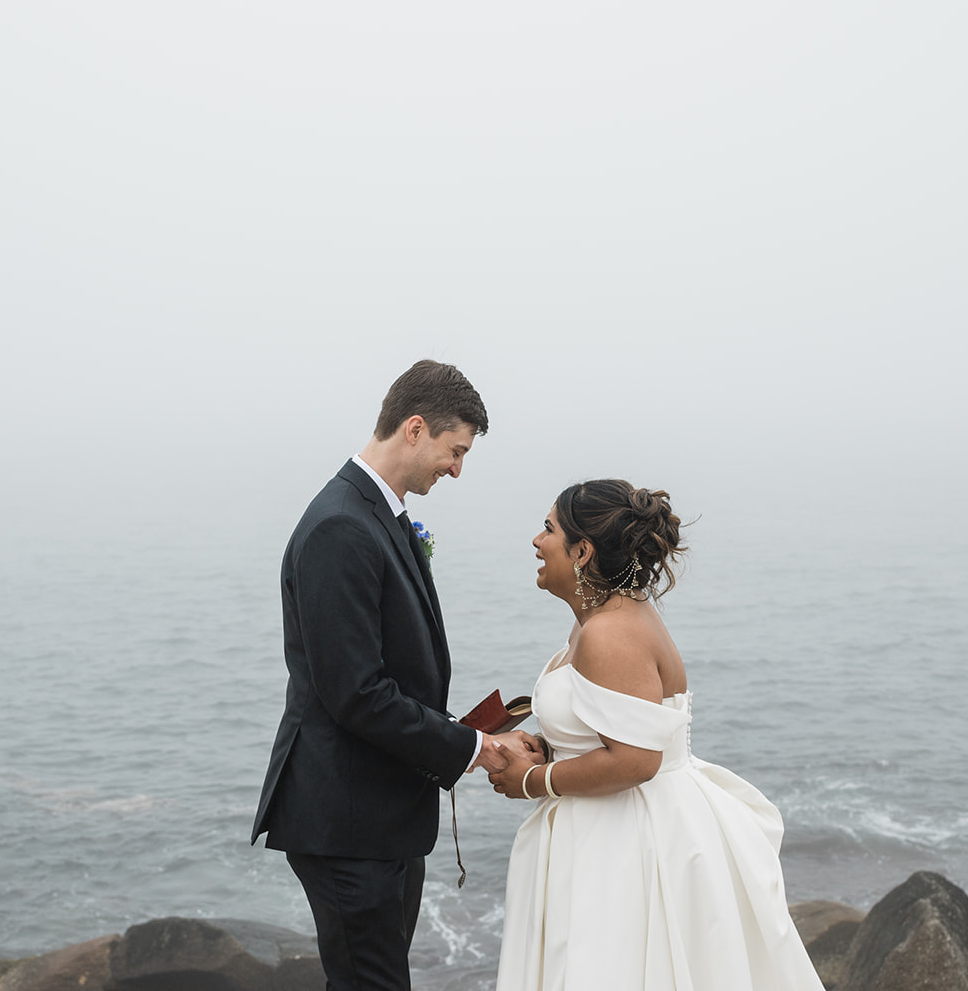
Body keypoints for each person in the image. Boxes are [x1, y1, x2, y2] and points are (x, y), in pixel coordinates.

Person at [252, 359, 540, 991]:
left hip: (379, 810)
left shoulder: (376, 512)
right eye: (455, 450)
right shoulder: (340, 527)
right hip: (346, 817)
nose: (458, 469)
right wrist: (475, 746)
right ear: (415, 428)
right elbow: (357, 693)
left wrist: (470, 732)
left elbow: (387, 676)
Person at [487, 480, 825, 991]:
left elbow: (637, 759)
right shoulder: (599, 619)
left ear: (582, 551)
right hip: (608, 824)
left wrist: (534, 780)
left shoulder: (609, 632)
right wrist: (539, 745)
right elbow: (605, 725)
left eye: (549, 529)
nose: (536, 541)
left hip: (628, 842)